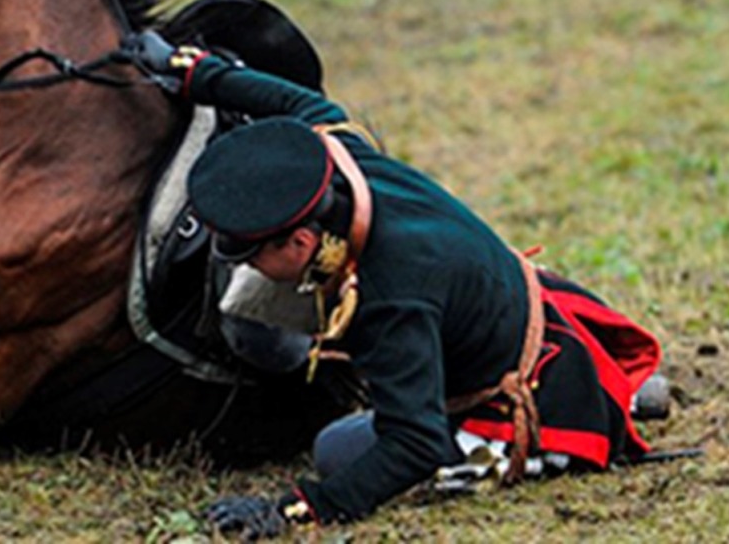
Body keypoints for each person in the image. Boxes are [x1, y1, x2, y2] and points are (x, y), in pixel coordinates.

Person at [123, 31, 665, 537]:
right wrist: (195, 72)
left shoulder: (386, 298)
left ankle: (599, 414)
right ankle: (624, 393)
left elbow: (416, 442)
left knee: (336, 448)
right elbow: (296, 104)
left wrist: (298, 507)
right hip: (530, 322)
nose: (249, 268)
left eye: (251, 255)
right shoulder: (344, 161)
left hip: (513, 406)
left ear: (301, 244)